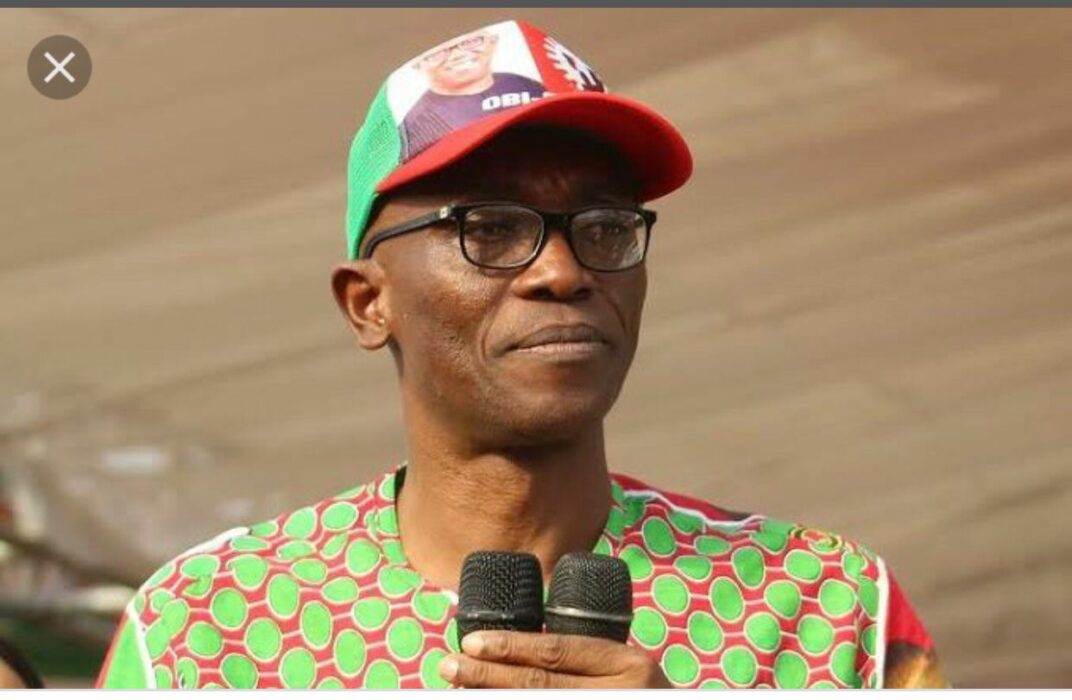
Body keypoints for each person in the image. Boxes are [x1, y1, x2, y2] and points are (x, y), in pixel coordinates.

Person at [96, 20, 948, 689]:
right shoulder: (207, 632)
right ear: (368, 303)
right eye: (491, 227)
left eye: (604, 226)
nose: (563, 271)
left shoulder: (825, 612)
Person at [401, 26, 546, 160]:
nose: (458, 55)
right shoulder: (416, 127)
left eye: (471, 41)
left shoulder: (521, 84)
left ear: (493, 42)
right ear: (418, 66)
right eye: (437, 53)